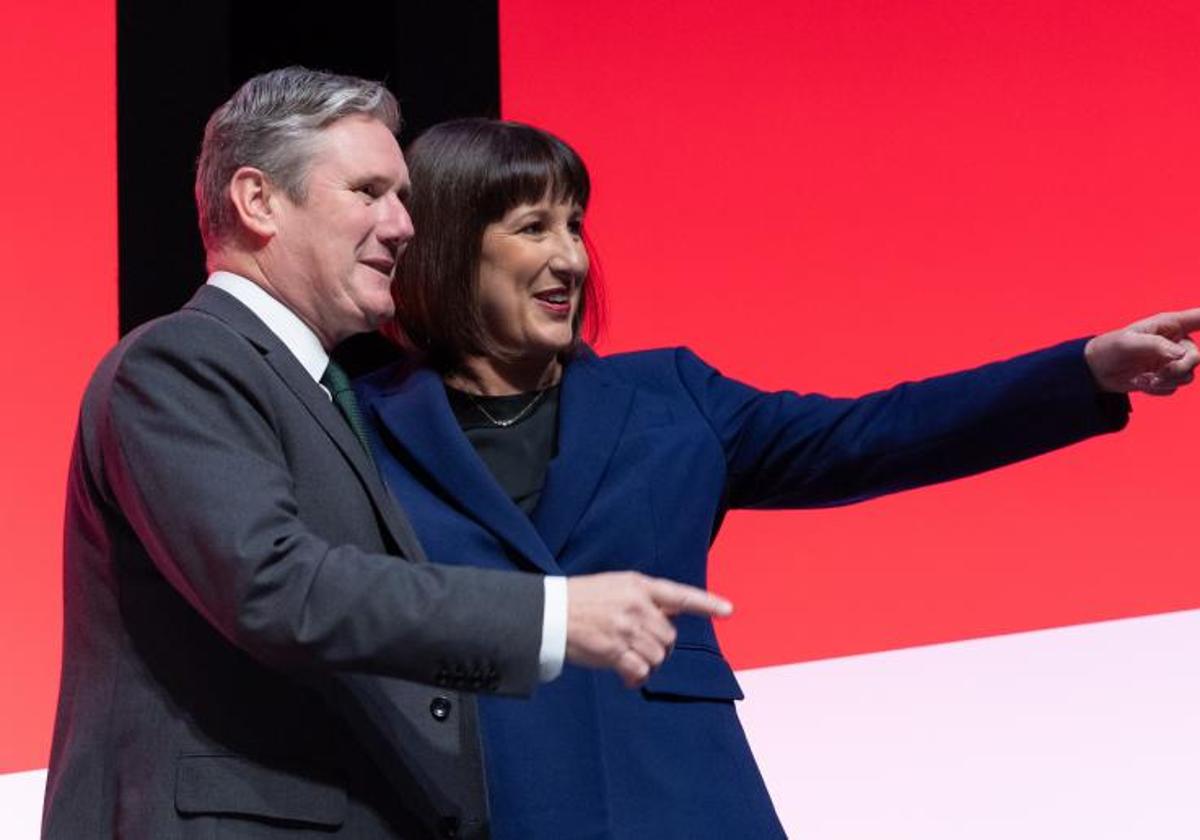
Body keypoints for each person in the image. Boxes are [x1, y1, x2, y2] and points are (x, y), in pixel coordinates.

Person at [355, 118, 1200, 839]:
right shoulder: (357, 424)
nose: (571, 257)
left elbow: (876, 433)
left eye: (575, 225)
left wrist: (1085, 370)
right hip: (469, 800)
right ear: (451, 247)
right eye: (534, 227)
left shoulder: (669, 397)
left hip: (680, 796)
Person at [42, 70, 731, 840]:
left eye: (402, 197)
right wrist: (554, 615)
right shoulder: (182, 362)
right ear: (258, 200)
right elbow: (274, 588)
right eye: (369, 192)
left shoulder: (325, 392)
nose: (404, 225)